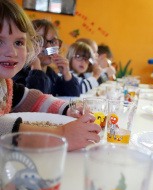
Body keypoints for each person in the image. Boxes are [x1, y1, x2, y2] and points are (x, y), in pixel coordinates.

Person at [0, 0, 101, 151]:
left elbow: (34, 99)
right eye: (0, 41)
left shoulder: (6, 84)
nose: (12, 53)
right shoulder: (21, 73)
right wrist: (59, 134)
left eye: (19, 43)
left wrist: (67, 108)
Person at [12, 18, 80, 97]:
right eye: (40, 40)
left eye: (53, 42)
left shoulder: (50, 73)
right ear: (27, 44)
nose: (48, 47)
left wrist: (66, 74)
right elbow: (34, 101)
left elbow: (73, 96)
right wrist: (36, 66)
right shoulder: (18, 72)